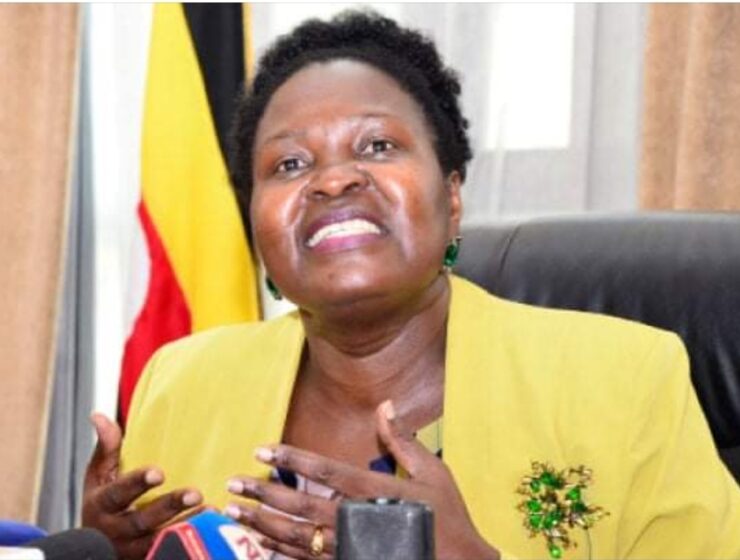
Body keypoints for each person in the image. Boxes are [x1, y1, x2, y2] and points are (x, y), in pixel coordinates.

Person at [82, 11, 740, 560]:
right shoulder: (181, 383)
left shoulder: (625, 380)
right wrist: (101, 554)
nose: (333, 180)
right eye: (289, 163)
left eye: (376, 146)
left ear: (451, 197)